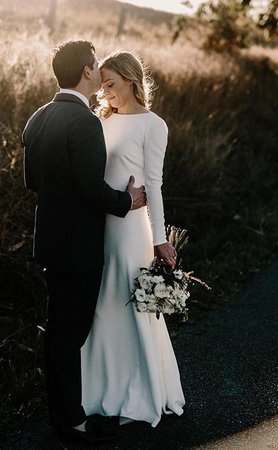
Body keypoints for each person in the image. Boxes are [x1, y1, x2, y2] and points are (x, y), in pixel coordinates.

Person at [22, 41, 146, 445]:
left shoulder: (39, 117)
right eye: (94, 65)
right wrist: (128, 201)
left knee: (59, 330)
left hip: (50, 244)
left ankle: (64, 412)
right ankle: (70, 421)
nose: (98, 70)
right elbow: (92, 190)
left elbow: (32, 181)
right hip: (79, 248)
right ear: (86, 72)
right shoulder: (85, 122)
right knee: (69, 334)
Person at [81, 51, 185, 427]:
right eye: (102, 84)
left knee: (127, 303)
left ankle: (140, 392)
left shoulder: (152, 125)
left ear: (130, 80)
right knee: (99, 306)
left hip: (129, 231)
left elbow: (154, 186)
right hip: (97, 226)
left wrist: (159, 239)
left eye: (111, 84)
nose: (104, 91)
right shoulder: (99, 121)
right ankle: (99, 388)